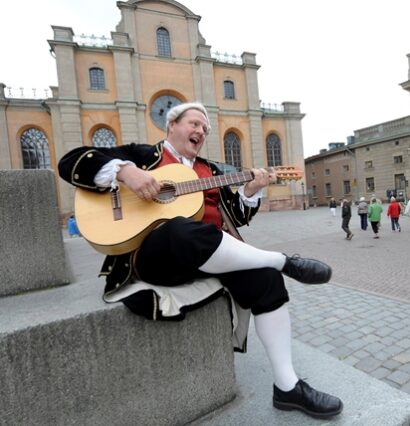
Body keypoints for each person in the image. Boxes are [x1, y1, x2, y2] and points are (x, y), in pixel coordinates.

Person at [57, 102, 342, 419]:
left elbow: (234, 216)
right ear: (172, 126)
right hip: (156, 256)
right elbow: (71, 161)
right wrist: (127, 172)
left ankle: (287, 387)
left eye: (205, 129)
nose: (201, 132)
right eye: (195, 124)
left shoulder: (211, 170)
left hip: (209, 253)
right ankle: (283, 261)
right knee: (178, 228)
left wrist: (251, 190)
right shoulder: (143, 156)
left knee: (265, 278)